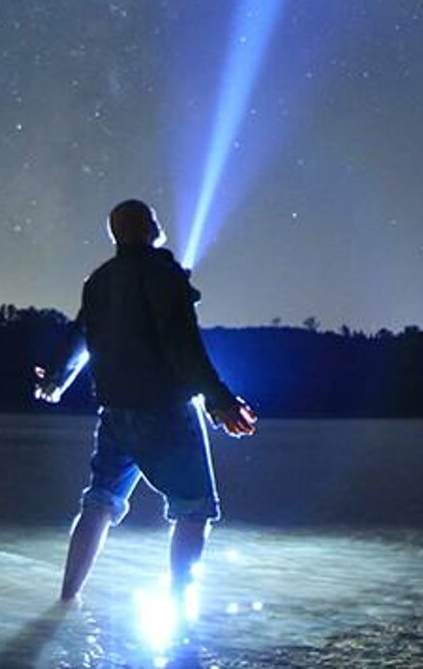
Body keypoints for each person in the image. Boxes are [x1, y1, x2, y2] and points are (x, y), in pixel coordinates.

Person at [35, 198, 257, 609]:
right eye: (153, 220)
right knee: (194, 508)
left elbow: (79, 334)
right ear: (149, 228)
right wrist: (219, 399)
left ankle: (66, 599)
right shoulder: (163, 273)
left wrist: (56, 380)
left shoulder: (98, 280)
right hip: (165, 410)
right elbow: (181, 344)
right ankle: (179, 607)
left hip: (115, 413)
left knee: (99, 500)